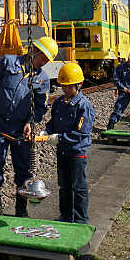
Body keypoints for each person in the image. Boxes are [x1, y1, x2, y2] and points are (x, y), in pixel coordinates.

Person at [0, 36, 55, 216]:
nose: (44, 63)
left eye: (47, 61)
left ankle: (21, 206)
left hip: (20, 129)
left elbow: (40, 106)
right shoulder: (8, 62)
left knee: (23, 167)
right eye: (43, 58)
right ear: (34, 50)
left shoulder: (43, 79)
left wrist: (30, 123)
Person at [37, 61, 95, 223]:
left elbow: (81, 133)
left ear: (79, 85)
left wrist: (57, 138)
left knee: (79, 188)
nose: (65, 89)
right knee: (64, 187)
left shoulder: (84, 106)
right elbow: (53, 122)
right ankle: (66, 216)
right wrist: (47, 131)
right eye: (63, 86)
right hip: (62, 151)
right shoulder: (59, 102)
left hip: (77, 153)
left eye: (69, 87)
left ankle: (80, 220)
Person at [107, 50, 130, 129]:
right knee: (119, 108)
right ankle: (111, 125)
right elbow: (116, 80)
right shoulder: (120, 68)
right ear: (129, 59)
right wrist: (124, 89)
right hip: (124, 93)